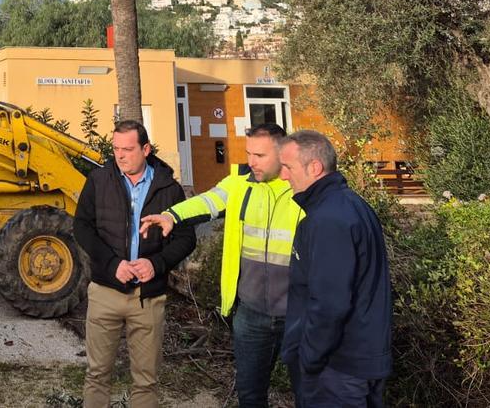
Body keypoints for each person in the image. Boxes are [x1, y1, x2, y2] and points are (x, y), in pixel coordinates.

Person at [139, 123, 303, 408]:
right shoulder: (240, 182)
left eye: (260, 155)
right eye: (249, 153)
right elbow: (208, 201)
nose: (251, 161)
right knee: (250, 397)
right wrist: (171, 216)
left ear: (283, 153)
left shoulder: (302, 188)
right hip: (251, 314)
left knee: (310, 396)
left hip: (300, 315)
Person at [74, 120, 197, 408]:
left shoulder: (169, 188)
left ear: (146, 149)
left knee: (146, 381)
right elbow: (81, 226)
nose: (120, 155)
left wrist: (157, 264)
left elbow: (186, 238)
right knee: (96, 374)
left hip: (149, 298)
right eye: (116, 148)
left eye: (127, 149)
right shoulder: (99, 180)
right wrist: (111, 263)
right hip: (105, 292)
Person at [279, 131, 392, 407]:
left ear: (314, 167)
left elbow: (330, 302)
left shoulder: (327, 219)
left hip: (339, 368)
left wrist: (309, 357)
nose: (283, 176)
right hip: (359, 360)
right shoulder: (351, 205)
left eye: (288, 167)